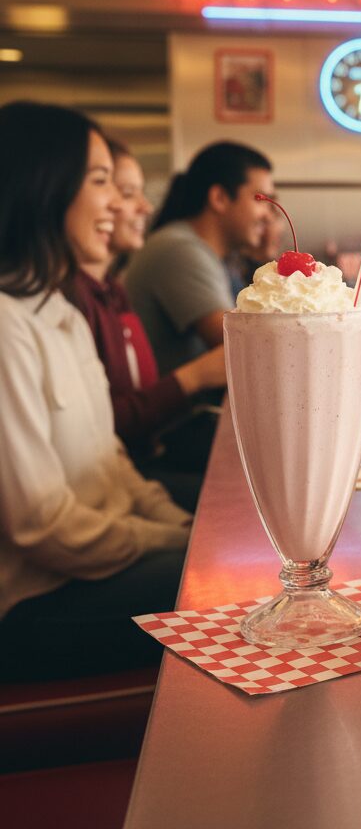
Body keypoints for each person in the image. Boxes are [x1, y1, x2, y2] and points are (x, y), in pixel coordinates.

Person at [0, 102, 192, 680]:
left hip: (100, 563)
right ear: (42, 186)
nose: (120, 204)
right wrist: (169, 542)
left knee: (232, 556)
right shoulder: (7, 326)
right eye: (101, 181)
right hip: (39, 601)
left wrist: (177, 523)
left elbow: (111, 460)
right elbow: (43, 526)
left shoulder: (60, 312)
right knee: (239, 584)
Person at [66, 139, 226, 475]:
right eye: (126, 193)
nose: (145, 207)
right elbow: (108, 428)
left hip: (138, 468)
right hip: (138, 467)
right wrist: (196, 376)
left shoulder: (110, 290)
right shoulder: (73, 298)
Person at [125, 140, 273, 377]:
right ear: (219, 198)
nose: (268, 215)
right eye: (261, 200)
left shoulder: (216, 256)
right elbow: (240, 346)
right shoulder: (179, 249)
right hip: (178, 412)